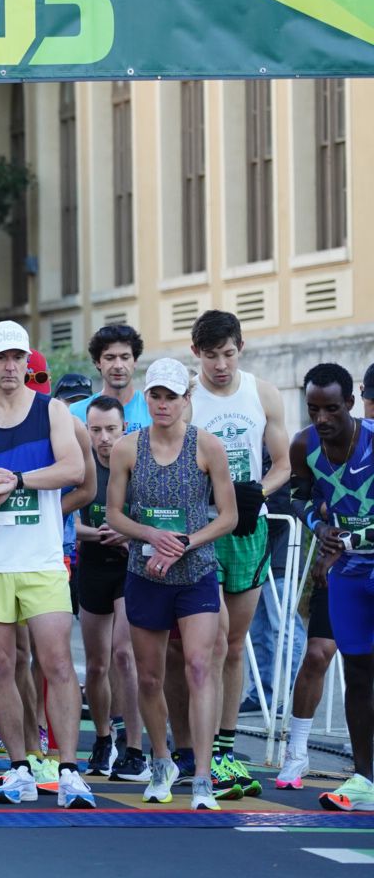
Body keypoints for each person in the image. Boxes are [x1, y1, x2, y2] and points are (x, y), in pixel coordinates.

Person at [0, 321, 94, 809]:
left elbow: (74, 471)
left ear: (28, 362)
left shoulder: (52, 411)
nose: (10, 367)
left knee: (55, 662)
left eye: (18, 358)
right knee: (1, 665)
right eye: (1, 357)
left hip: (41, 560)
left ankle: (69, 771)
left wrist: (18, 480)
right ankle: (18, 768)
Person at [107, 358, 236, 811]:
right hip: (146, 573)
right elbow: (114, 514)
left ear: (187, 399)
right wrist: (150, 536)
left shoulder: (209, 446)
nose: (163, 404)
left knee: (201, 667)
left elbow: (229, 516)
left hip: (195, 571)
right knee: (150, 675)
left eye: (172, 396)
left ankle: (202, 775)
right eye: (156, 396)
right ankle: (162, 760)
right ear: (147, 398)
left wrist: (186, 542)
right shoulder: (127, 448)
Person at [187, 311, 290, 797]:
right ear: (197, 354)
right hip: (204, 526)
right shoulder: (186, 398)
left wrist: (257, 494)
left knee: (233, 644)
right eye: (211, 356)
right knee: (209, 639)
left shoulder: (262, 392)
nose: (221, 365)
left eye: (228, 354)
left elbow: (284, 463)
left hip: (249, 525)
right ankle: (196, 750)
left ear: (240, 348)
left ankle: (226, 751)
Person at [285, 363, 374, 810]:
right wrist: (318, 526)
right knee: (358, 672)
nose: (322, 419)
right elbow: (298, 495)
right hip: (349, 572)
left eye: (332, 409)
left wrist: (357, 535)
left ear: (352, 404)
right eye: (313, 408)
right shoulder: (303, 445)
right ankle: (364, 779)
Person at [75, 396, 148, 782]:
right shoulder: (82, 465)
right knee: (97, 663)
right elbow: (62, 520)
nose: (104, 439)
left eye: (111, 430)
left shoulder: (135, 464)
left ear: (125, 429)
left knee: (124, 654)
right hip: (92, 566)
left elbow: (151, 521)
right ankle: (104, 738)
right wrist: (97, 533)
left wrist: (128, 535)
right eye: (96, 430)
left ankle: (136, 749)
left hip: (128, 568)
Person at [69, 324, 151, 432]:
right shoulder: (76, 413)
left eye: (125, 357)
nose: (118, 366)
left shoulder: (152, 410)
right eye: (110, 358)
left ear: (135, 361)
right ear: (98, 362)